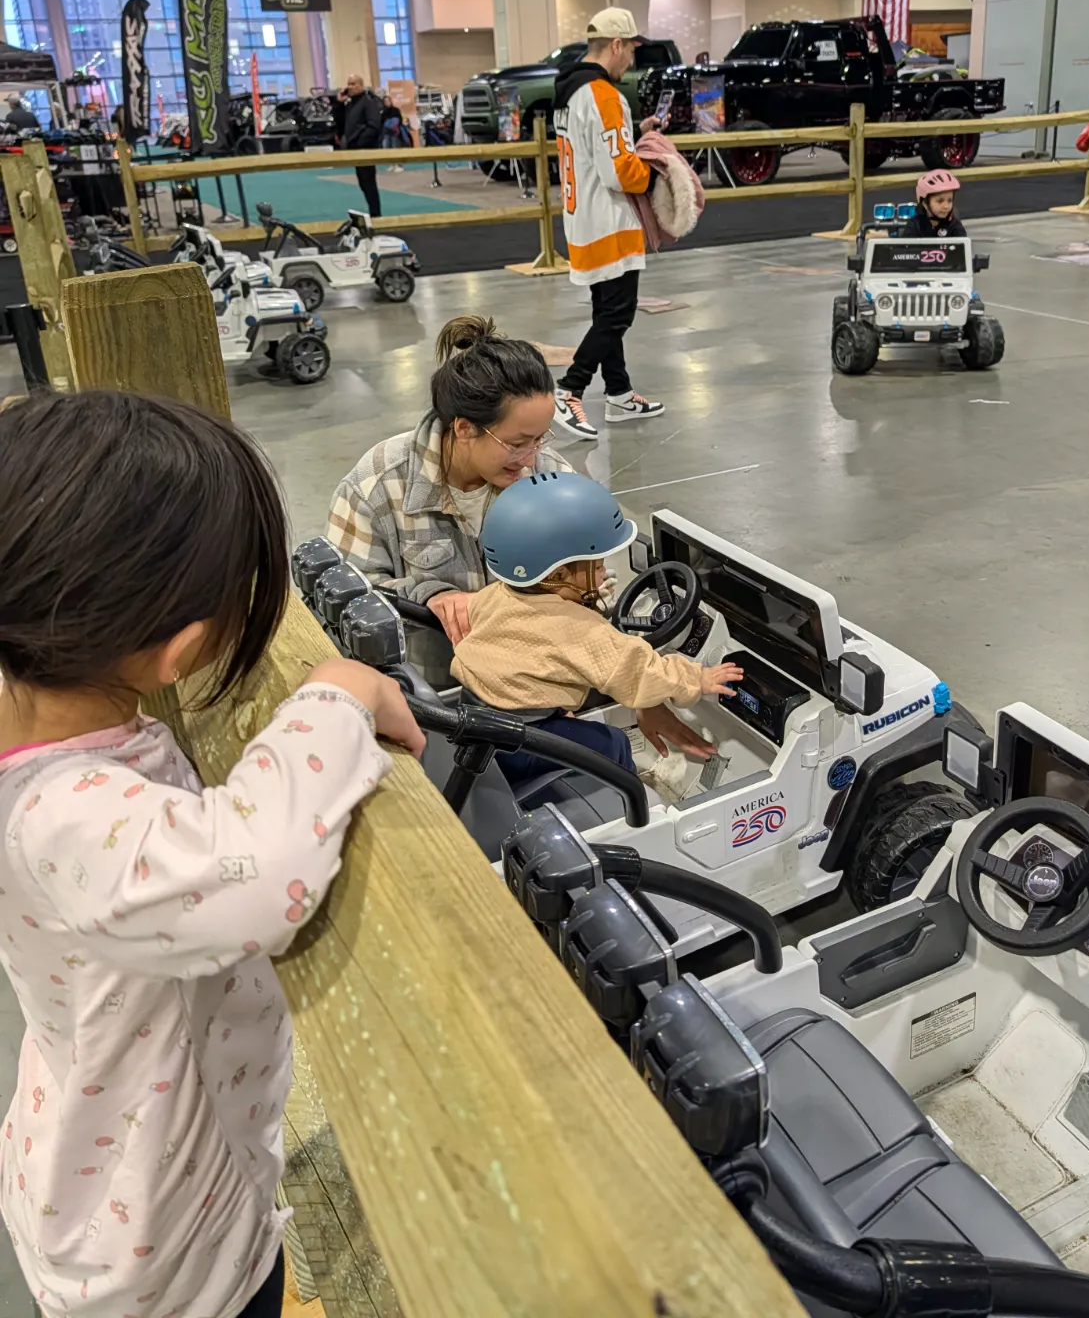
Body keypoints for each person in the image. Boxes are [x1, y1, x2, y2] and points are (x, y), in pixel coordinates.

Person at [0, 389, 424, 1318]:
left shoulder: (37, 736)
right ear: (183, 649)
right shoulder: (62, 813)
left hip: (114, 1181)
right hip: (164, 1263)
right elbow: (257, 873)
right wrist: (337, 695)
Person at [327, 316, 717, 761]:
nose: (533, 459)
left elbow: (591, 595)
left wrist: (640, 696)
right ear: (463, 428)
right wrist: (427, 593)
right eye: (517, 443)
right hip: (427, 707)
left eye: (540, 438)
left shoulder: (552, 480)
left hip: (538, 703)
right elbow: (347, 602)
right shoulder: (378, 483)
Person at [451, 471, 742, 787]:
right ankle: (635, 812)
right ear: (559, 573)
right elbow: (638, 670)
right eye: (598, 564)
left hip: (475, 719)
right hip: (520, 742)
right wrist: (696, 678)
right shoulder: (578, 629)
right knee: (612, 743)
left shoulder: (493, 596)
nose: (605, 572)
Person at [551, 6, 664, 442]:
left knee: (606, 312)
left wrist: (634, 135)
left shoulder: (569, 91)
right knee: (617, 315)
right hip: (610, 223)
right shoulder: (603, 94)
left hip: (582, 219)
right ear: (616, 45)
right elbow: (620, 173)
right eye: (632, 49)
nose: (632, 60)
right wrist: (657, 173)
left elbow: (595, 151)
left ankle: (618, 393)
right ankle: (570, 389)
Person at [337, 74, 384, 216]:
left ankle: (376, 215)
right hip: (355, 150)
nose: (350, 87)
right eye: (348, 84)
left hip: (364, 149)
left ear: (361, 85)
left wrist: (361, 142)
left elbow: (374, 125)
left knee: (369, 183)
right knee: (363, 183)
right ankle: (373, 213)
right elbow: (340, 122)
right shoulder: (350, 104)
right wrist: (339, 103)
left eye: (353, 84)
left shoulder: (368, 102)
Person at [904, 169, 967, 238]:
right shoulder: (914, 226)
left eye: (949, 201)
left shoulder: (955, 226)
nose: (946, 206)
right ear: (925, 203)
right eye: (940, 201)